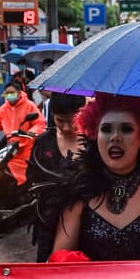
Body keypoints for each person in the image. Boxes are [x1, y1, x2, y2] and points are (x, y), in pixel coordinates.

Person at [50, 94, 140, 261]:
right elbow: (57, 263)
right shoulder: (78, 194)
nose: (115, 137)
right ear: (95, 134)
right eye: (106, 129)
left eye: (126, 129)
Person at [27, 92, 86, 262]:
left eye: (72, 121)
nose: (67, 127)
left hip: (84, 222)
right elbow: (32, 177)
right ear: (52, 115)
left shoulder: (93, 143)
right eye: (61, 121)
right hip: (48, 219)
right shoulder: (43, 142)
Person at [0, 81, 46, 185]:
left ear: (19, 93)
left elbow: (40, 123)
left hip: (25, 146)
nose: (9, 95)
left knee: (20, 172)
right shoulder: (4, 108)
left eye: (11, 92)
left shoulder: (29, 106)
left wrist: (32, 132)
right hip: (7, 146)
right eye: (7, 93)